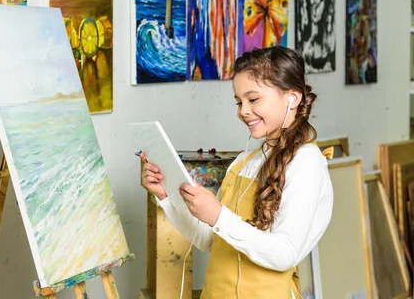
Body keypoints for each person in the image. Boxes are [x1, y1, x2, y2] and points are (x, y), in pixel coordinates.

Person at [140, 46, 333, 299]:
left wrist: (219, 216)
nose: (243, 111)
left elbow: (285, 254)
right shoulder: (245, 161)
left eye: (253, 100)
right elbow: (209, 240)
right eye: (239, 101)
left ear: (292, 98)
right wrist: (165, 197)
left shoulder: (306, 162)